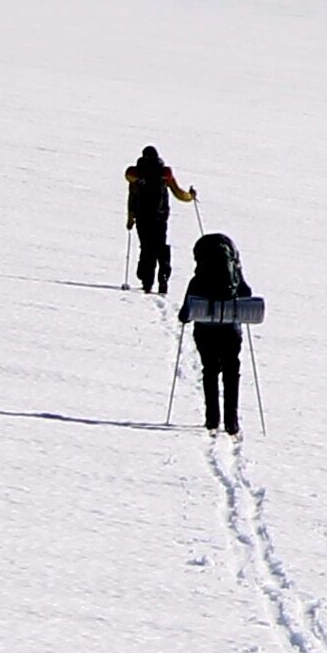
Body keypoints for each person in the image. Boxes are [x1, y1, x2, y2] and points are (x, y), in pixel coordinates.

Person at [178, 232, 255, 437]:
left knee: (210, 371)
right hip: (231, 330)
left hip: (205, 332)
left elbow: (184, 315)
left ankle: (212, 418)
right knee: (232, 372)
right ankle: (232, 421)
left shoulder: (198, 279)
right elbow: (247, 294)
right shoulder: (235, 276)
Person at [123, 146, 195, 292]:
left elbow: (132, 198)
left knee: (146, 247)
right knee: (160, 246)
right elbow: (179, 194)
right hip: (160, 216)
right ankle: (163, 277)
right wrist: (191, 196)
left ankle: (146, 281)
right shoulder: (164, 174)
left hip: (142, 217)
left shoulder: (136, 174)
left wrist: (130, 219)